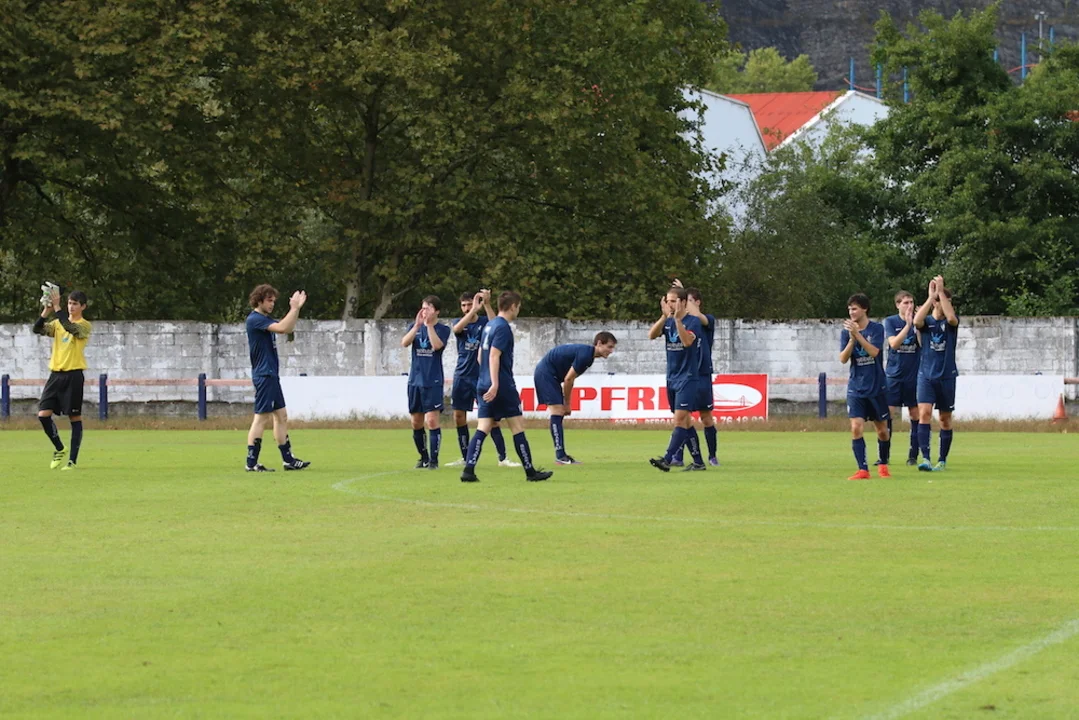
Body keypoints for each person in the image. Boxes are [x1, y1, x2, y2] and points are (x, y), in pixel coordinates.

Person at [459, 291, 553, 483]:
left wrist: (486, 378)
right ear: (512, 306)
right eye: (518, 307)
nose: (518, 310)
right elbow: (494, 355)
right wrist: (495, 383)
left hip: (482, 382)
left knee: (483, 427)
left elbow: (481, 356)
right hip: (501, 385)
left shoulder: (489, 325)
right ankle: (530, 472)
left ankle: (468, 470)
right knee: (517, 427)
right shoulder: (502, 328)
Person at [445, 290, 519, 469]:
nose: (466, 308)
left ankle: (502, 457)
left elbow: (496, 324)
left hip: (481, 377)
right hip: (462, 375)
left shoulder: (486, 323)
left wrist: (486, 304)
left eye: (469, 304)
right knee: (459, 416)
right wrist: (472, 311)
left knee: (491, 420)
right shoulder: (459, 322)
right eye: (463, 305)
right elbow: (456, 330)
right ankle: (465, 457)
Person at [244, 284, 311, 472]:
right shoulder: (255, 319)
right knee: (261, 418)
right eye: (269, 300)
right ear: (259, 301)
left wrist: (296, 310)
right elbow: (282, 328)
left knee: (281, 416)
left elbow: (287, 328)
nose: (272, 304)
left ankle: (288, 460)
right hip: (264, 375)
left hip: (271, 375)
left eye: (273, 301)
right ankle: (251, 463)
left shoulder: (265, 319)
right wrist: (294, 308)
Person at [533, 332, 618, 464]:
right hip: (546, 374)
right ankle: (560, 456)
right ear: (599, 343)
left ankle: (561, 455)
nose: (611, 351)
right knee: (558, 411)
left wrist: (566, 402)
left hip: (551, 375)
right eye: (609, 347)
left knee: (558, 412)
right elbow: (568, 379)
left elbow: (569, 378)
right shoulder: (586, 355)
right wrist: (567, 403)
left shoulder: (588, 356)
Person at [33, 286, 92, 471]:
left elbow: (70, 327)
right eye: (69, 303)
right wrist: (46, 311)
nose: (71, 307)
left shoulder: (84, 325)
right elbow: (37, 329)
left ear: (83, 306)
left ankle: (72, 461)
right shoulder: (58, 324)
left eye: (75, 304)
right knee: (43, 415)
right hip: (55, 375)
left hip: (73, 375)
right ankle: (59, 448)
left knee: (74, 417)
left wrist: (57, 308)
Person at [648, 287, 706, 472]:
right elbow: (651, 335)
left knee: (679, 420)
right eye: (667, 301)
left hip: (688, 378)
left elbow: (687, 342)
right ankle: (698, 462)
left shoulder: (693, 321)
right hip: (672, 377)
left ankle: (667, 459)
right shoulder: (668, 321)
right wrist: (664, 317)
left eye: (673, 301)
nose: (669, 304)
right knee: (686, 422)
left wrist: (678, 321)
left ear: (683, 302)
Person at [840, 294, 891, 481]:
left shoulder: (876, 329)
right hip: (856, 387)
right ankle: (863, 470)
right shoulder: (846, 332)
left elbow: (874, 352)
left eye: (854, 308)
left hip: (876, 387)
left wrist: (858, 335)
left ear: (864, 309)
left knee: (882, 431)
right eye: (849, 309)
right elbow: (843, 359)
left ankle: (883, 464)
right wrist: (851, 339)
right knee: (856, 428)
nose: (851, 312)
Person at [913, 275, 960, 472]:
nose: (945, 304)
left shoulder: (950, 323)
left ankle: (942, 460)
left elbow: (952, 318)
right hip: (926, 375)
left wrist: (941, 292)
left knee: (944, 419)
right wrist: (931, 296)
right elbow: (916, 320)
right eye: (941, 301)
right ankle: (925, 458)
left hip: (947, 376)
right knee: (924, 413)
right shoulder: (927, 322)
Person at [401, 295, 452, 470]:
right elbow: (404, 343)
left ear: (437, 311)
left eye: (428, 308)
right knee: (416, 422)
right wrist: (417, 326)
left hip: (433, 381)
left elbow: (437, 346)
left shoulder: (443, 329)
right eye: (423, 308)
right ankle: (423, 457)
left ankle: (434, 460)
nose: (425, 311)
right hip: (415, 381)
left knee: (431, 421)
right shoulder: (414, 327)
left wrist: (429, 325)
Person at [672, 282, 719, 466]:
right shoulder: (684, 323)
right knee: (682, 417)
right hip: (686, 375)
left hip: (702, 374)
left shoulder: (706, 320)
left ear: (697, 302)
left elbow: (698, 316)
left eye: (688, 301)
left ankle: (712, 455)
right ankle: (678, 456)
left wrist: (681, 292)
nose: (684, 305)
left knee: (706, 417)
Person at [883, 290, 921, 467]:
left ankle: (913, 455)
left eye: (911, 302)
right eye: (905, 303)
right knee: (888, 413)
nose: (909, 306)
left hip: (913, 376)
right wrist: (907, 325)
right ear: (898, 305)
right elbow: (894, 343)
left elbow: (922, 344)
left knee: (915, 414)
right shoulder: (891, 322)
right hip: (894, 375)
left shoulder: (919, 321)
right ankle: (884, 456)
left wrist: (917, 325)